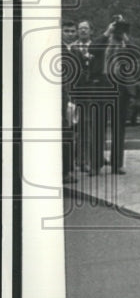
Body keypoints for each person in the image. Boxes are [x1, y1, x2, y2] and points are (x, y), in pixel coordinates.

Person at [69, 20, 111, 175]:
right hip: (78, 90)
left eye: (86, 28)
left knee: (95, 125)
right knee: (80, 126)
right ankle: (80, 160)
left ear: (91, 31)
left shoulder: (98, 46)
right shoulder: (72, 47)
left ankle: (93, 159)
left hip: (94, 89)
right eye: (80, 29)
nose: (83, 31)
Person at [102, 16, 134, 174]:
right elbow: (95, 49)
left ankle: (117, 164)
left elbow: (135, 55)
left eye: (122, 28)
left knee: (118, 128)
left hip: (121, 89)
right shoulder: (105, 42)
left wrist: (126, 38)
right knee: (99, 126)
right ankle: (96, 162)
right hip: (105, 87)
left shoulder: (125, 44)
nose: (119, 32)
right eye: (117, 28)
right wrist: (108, 32)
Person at [60, 19, 79, 184]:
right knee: (64, 134)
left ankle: (68, 169)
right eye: (67, 31)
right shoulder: (56, 50)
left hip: (72, 98)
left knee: (70, 134)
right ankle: (64, 172)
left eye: (73, 31)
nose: (70, 34)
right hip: (60, 99)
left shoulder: (74, 51)